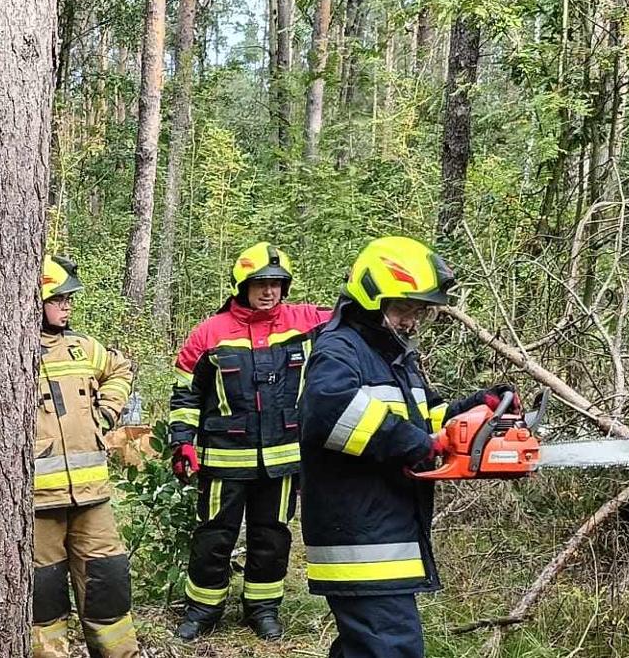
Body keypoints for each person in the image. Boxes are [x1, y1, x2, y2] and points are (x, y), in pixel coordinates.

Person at [299, 237, 509, 658]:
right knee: (391, 648)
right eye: (403, 309)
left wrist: (474, 409)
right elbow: (329, 411)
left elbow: (421, 419)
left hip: (382, 529)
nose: (411, 321)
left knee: (367, 647)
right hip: (360, 537)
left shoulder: (392, 358)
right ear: (371, 298)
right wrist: (418, 444)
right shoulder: (340, 349)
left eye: (419, 311)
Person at [168, 243, 332, 640]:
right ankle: (202, 612)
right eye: (260, 283)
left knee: (272, 536)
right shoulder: (209, 333)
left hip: (282, 460)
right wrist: (182, 442)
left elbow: (357, 318)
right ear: (242, 285)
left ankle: (262, 609)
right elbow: (185, 393)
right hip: (223, 459)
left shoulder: (307, 321)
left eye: (276, 284)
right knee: (214, 536)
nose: (268, 291)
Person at [29, 256, 140, 658]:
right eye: (58, 299)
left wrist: (108, 411)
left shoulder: (82, 347)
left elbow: (121, 369)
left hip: (92, 495)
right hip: (36, 503)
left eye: (69, 300)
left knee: (108, 583)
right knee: (43, 594)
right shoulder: (1, 350)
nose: (67, 306)